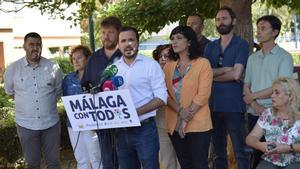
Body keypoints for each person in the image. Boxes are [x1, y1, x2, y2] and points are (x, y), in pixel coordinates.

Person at [4, 32, 62, 169]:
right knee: (32, 164)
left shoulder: (54, 67)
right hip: (26, 125)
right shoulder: (13, 69)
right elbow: (10, 92)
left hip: (51, 124)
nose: (35, 48)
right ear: (24, 46)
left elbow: (58, 91)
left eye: (38, 44)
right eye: (31, 44)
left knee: (54, 164)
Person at [243, 15, 294, 168]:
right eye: (257, 28)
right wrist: (255, 104)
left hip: (278, 112)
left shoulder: (285, 57)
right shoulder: (252, 58)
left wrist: (252, 97)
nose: (258, 32)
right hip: (254, 112)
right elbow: (246, 84)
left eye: (263, 28)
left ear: (275, 32)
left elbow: (281, 86)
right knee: (257, 155)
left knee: (278, 153)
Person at [114, 26, 167, 169]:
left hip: (145, 130)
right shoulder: (113, 68)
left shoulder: (151, 65)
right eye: (123, 41)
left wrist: (135, 112)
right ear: (118, 45)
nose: (127, 44)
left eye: (131, 40)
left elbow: (161, 98)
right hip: (121, 131)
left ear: (137, 43)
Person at [203, 6, 250, 169]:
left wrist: (214, 75)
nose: (220, 22)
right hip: (213, 105)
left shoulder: (241, 44)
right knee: (218, 151)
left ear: (233, 21)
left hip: (234, 105)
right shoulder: (210, 47)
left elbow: (237, 75)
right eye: (217, 19)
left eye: (224, 18)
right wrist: (226, 69)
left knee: (240, 149)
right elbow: (205, 74)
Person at [164, 25, 213, 169]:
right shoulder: (168, 66)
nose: (174, 42)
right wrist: (180, 112)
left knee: (200, 165)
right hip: (174, 123)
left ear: (190, 42)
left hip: (198, 123)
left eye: (179, 38)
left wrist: (185, 118)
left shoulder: (203, 63)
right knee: (185, 165)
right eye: (172, 39)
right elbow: (163, 93)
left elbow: (203, 95)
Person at [81, 16, 122, 169]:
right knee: (107, 159)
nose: (106, 36)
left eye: (110, 32)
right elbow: (85, 85)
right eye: (103, 32)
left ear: (118, 33)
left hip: (124, 119)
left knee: (125, 159)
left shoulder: (126, 55)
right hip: (102, 119)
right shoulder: (93, 58)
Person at [246, 77, 300, 169]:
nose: (272, 96)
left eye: (277, 93)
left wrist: (289, 148)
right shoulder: (268, 114)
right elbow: (250, 138)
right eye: (272, 92)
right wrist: (260, 145)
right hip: (271, 160)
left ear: (290, 96)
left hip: (296, 161)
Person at [62, 45, 102, 169]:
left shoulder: (97, 76)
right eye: (73, 59)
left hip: (93, 123)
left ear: (88, 59)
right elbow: (66, 100)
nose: (76, 61)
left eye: (79, 57)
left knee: (96, 158)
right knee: (81, 159)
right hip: (73, 124)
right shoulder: (68, 79)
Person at [152, 44, 179, 169]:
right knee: (165, 160)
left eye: (167, 56)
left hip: (180, 122)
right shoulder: (152, 76)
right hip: (161, 123)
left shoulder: (181, 74)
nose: (163, 59)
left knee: (182, 159)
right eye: (160, 56)